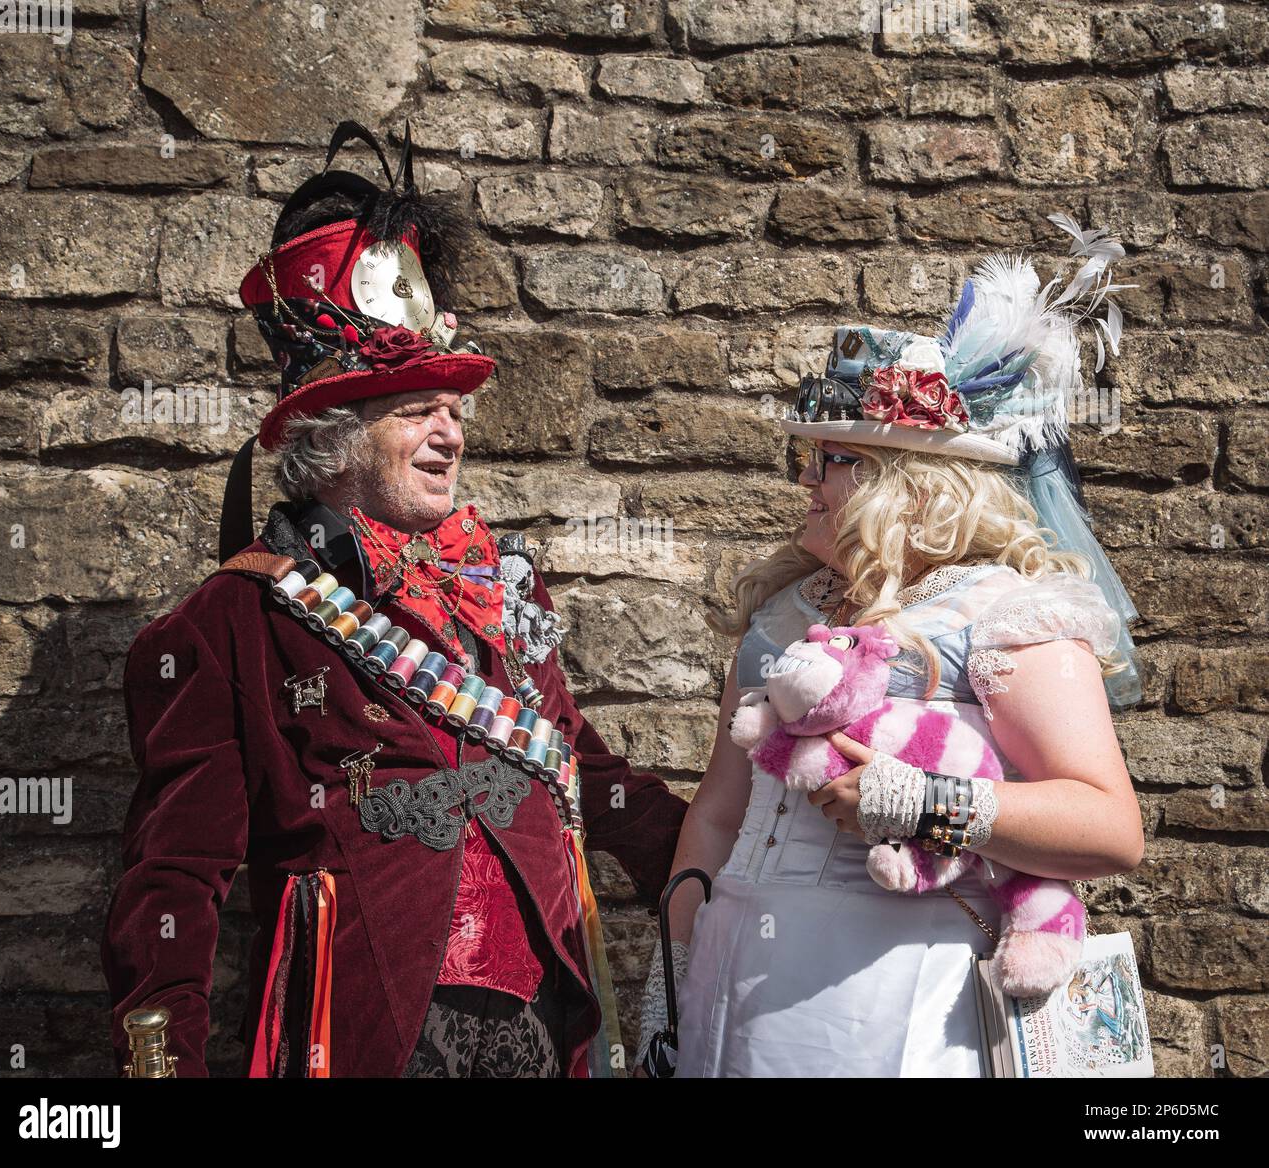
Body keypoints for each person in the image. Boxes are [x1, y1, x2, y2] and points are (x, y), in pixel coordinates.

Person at [101, 121, 686, 1078]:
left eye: (455, 411)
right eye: (418, 410)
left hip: (550, 1024)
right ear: (335, 434)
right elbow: (178, 873)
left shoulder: (502, 589)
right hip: (366, 1035)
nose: (450, 435)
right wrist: (163, 1061)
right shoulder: (233, 625)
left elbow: (579, 767)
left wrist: (711, 862)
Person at [639, 216, 1146, 1077]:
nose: (805, 480)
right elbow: (720, 813)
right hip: (737, 991)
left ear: (902, 483)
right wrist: (674, 975)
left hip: (907, 1000)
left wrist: (923, 802)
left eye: (830, 459)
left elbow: (1109, 830)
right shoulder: (782, 613)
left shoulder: (1007, 616)